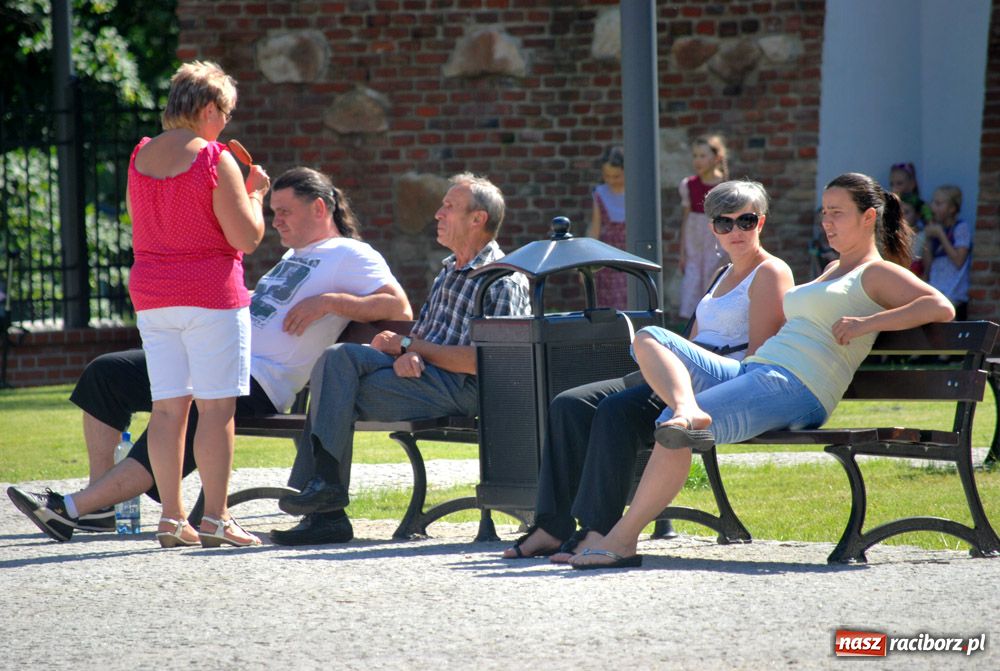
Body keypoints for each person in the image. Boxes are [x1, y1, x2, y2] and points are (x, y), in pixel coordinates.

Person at [569, 172, 955, 569]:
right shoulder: (832, 269)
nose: (827, 222)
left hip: (797, 386)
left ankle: (622, 539)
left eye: (837, 213)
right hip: (758, 372)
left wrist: (865, 324)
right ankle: (688, 408)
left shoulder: (875, 272)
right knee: (650, 337)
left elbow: (939, 306)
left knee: (674, 428)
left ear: (869, 217)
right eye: (825, 213)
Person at [7, 167, 412, 543]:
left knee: (183, 409)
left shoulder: (352, 254)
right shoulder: (295, 257)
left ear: (320, 208)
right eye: (273, 212)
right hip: (215, 356)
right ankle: (100, 508)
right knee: (107, 373)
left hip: (258, 382)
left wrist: (331, 301)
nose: (276, 222)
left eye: (285, 211)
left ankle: (72, 508)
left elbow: (398, 307)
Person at [502, 180, 794, 561]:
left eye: (746, 221)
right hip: (684, 374)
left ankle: (599, 530)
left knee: (615, 410)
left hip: (716, 385)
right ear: (712, 229)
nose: (735, 231)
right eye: (724, 223)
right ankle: (552, 527)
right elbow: (692, 339)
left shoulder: (770, 273)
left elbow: (756, 359)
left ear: (762, 223)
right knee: (570, 404)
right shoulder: (722, 275)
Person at [270, 172, 531, 546]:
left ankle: (325, 511)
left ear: (478, 219)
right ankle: (325, 489)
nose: (438, 213)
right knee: (337, 359)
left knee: (336, 390)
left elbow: (486, 362)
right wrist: (404, 354)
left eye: (449, 206)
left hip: (466, 389)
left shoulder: (502, 280)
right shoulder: (449, 272)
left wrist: (412, 348)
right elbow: (420, 338)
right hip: (427, 379)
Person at [678, 134, 729, 319]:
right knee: (692, 280)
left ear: (716, 158)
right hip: (694, 241)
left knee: (712, 277)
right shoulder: (688, 185)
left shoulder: (724, 187)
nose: (697, 161)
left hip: (715, 240)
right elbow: (685, 219)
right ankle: (691, 324)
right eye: (695, 156)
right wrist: (682, 251)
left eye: (702, 156)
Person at [586, 146, 627, 309]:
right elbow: (595, 228)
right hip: (608, 257)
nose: (611, 180)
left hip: (629, 255)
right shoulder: (600, 194)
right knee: (609, 304)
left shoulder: (635, 193)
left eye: (616, 176)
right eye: (607, 176)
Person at [922, 185, 971, 319]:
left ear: (952, 208)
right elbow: (928, 266)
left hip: (954, 294)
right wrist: (928, 239)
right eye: (933, 202)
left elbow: (958, 261)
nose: (933, 207)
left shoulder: (961, 228)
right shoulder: (936, 230)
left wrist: (941, 235)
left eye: (939, 204)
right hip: (936, 292)